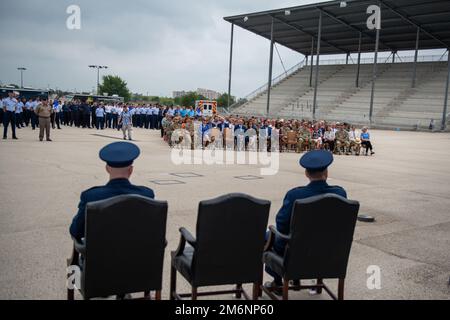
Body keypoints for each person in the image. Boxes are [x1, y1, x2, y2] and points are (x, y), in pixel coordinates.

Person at [264, 150, 348, 295]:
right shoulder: (340, 193)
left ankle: (278, 282)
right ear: (326, 172)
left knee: (266, 236)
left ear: (306, 174)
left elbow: (282, 225)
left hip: (298, 250)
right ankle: (298, 277)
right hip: (329, 250)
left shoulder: (296, 195)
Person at [69, 142, 155, 241]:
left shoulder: (91, 196)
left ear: (107, 169)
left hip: (100, 255)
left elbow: (76, 231)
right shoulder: (147, 195)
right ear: (131, 170)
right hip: (137, 255)